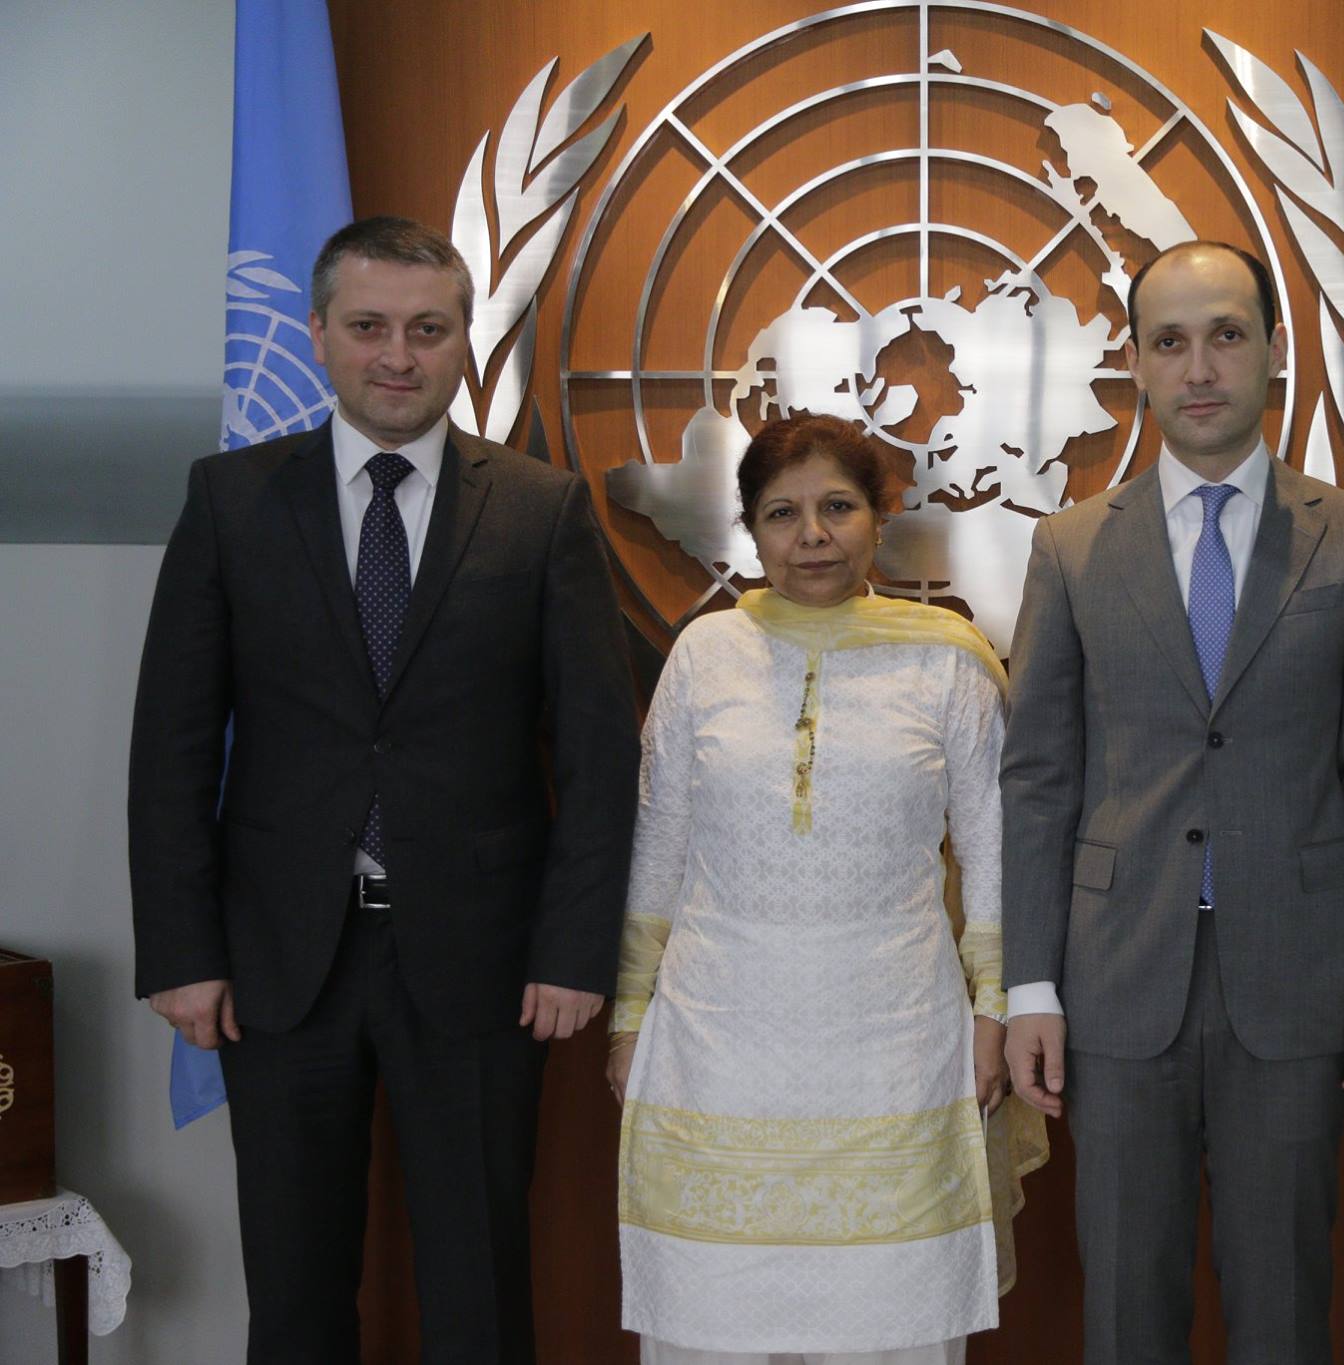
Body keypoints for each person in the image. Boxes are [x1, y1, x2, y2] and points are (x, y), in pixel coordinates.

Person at [128, 216, 641, 1363]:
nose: (396, 356)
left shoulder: (541, 508)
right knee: (295, 1298)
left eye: (427, 329)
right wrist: (181, 949)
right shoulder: (230, 500)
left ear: (465, 342)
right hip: (278, 962)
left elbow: (600, 755)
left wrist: (573, 951)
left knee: (478, 1294)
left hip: (481, 958)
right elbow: (170, 745)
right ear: (317, 334)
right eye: (368, 327)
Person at [1000, 241, 1344, 1361]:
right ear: (1137, 366)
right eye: (1170, 342)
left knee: (1283, 1309)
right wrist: (1031, 985)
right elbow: (1039, 776)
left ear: (1274, 352)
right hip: (1113, 984)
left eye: (1226, 336)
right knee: (1123, 1313)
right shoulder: (1070, 546)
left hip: (1296, 980)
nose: (1199, 368)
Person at [607, 413, 1047, 1365]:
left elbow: (995, 853)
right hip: (718, 1047)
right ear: (751, 528)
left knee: (889, 1326)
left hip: (896, 1046)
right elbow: (659, 845)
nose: (812, 535)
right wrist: (629, 1018)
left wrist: (993, 1012)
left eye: (838, 507)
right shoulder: (704, 655)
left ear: (880, 518)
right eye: (783, 513)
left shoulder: (948, 659)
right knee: (714, 1324)